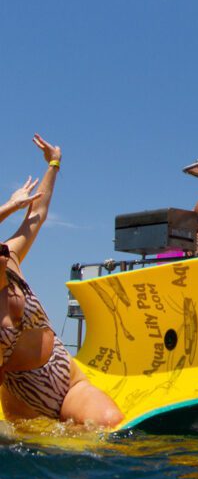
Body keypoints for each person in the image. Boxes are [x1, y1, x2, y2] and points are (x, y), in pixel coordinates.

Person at [0, 135, 123, 427]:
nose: (4, 248)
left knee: (109, 422)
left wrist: (54, 162)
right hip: (23, 402)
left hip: (66, 380)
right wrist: (9, 206)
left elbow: (38, 214)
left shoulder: (12, 259)